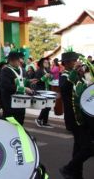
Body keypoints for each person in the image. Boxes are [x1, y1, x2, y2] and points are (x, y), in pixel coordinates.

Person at [59, 50, 93, 179]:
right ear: (67, 63)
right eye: (74, 61)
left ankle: (76, 174)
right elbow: (65, 88)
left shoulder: (80, 76)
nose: (77, 62)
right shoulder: (64, 76)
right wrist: (75, 72)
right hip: (74, 119)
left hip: (83, 118)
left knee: (78, 148)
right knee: (88, 148)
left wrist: (85, 74)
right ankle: (68, 168)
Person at [0, 51, 33, 125]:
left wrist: (29, 85)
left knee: (20, 122)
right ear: (11, 60)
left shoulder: (22, 70)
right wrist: (23, 89)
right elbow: (6, 85)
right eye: (18, 59)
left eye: (20, 59)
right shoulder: (5, 70)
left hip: (21, 101)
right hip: (10, 102)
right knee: (9, 123)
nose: (20, 61)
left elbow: (24, 81)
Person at [34, 58, 54, 128]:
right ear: (42, 63)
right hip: (41, 90)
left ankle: (45, 122)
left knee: (48, 106)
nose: (47, 63)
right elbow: (37, 81)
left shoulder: (48, 70)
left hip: (48, 90)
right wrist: (44, 77)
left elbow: (51, 79)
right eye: (45, 62)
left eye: (47, 62)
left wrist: (51, 77)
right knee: (46, 106)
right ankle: (39, 119)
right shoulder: (39, 71)